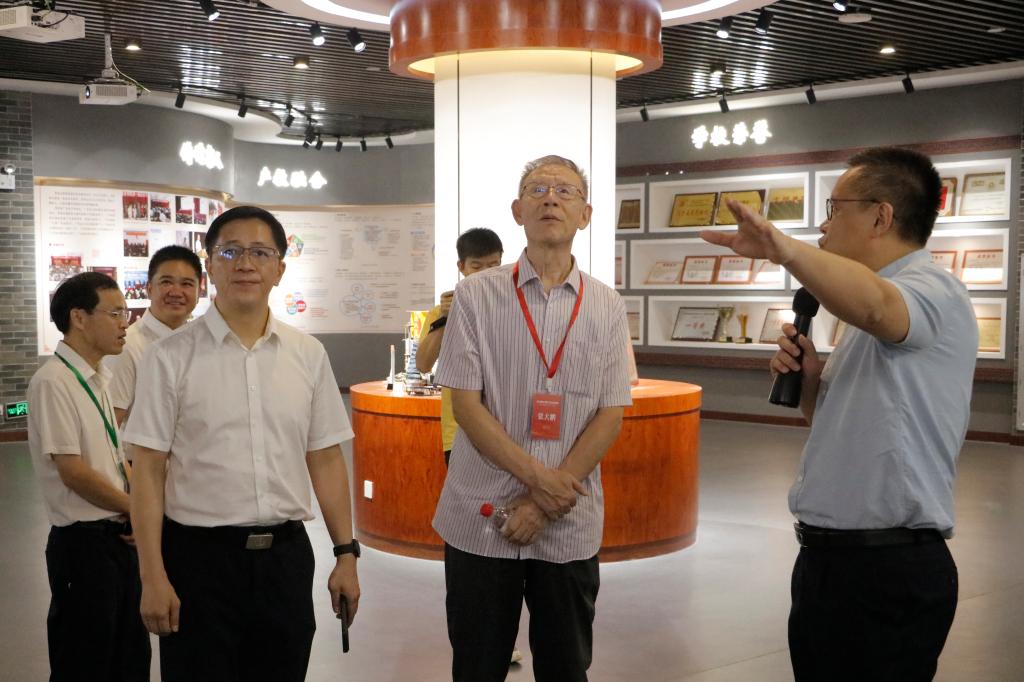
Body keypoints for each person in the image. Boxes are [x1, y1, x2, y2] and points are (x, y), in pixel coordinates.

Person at [702, 147, 976, 681]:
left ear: (881, 217)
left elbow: (876, 306)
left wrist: (784, 249)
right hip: (831, 563)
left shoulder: (931, 291)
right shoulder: (863, 316)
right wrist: (810, 384)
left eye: (835, 209)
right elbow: (843, 427)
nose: (824, 226)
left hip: (886, 569)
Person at [123, 206, 361, 681]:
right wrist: (152, 575)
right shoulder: (169, 358)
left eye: (260, 252)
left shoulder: (307, 354)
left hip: (285, 562)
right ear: (210, 265)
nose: (245, 264)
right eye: (230, 252)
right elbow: (147, 469)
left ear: (279, 269)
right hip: (198, 563)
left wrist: (345, 554)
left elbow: (325, 458)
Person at [433, 155, 633, 681]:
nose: (550, 198)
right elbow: (466, 405)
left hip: (567, 523)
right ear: (517, 210)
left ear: (585, 214)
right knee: (476, 666)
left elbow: (611, 412)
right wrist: (542, 482)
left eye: (565, 191)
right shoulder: (475, 295)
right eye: (537, 189)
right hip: (481, 519)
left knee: (566, 667)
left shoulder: (607, 305)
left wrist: (545, 501)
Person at [27, 272, 151, 681]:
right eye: (115, 313)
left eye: (126, 313)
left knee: (128, 659)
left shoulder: (99, 378)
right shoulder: (53, 382)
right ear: (78, 318)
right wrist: (137, 509)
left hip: (117, 540)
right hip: (83, 547)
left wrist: (136, 508)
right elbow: (74, 472)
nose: (125, 324)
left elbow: (114, 458)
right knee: (85, 662)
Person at [416, 227, 504, 466]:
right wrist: (446, 319)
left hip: (506, 429)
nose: (485, 274)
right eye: (476, 267)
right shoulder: (442, 312)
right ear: (461, 267)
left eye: (493, 265)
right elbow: (423, 364)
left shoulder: (514, 308)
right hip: (458, 432)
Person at [107, 244, 201, 425]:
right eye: (166, 282)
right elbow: (111, 425)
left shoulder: (201, 343)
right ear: (149, 288)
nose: (176, 292)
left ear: (198, 291)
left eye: (186, 284)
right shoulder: (127, 347)